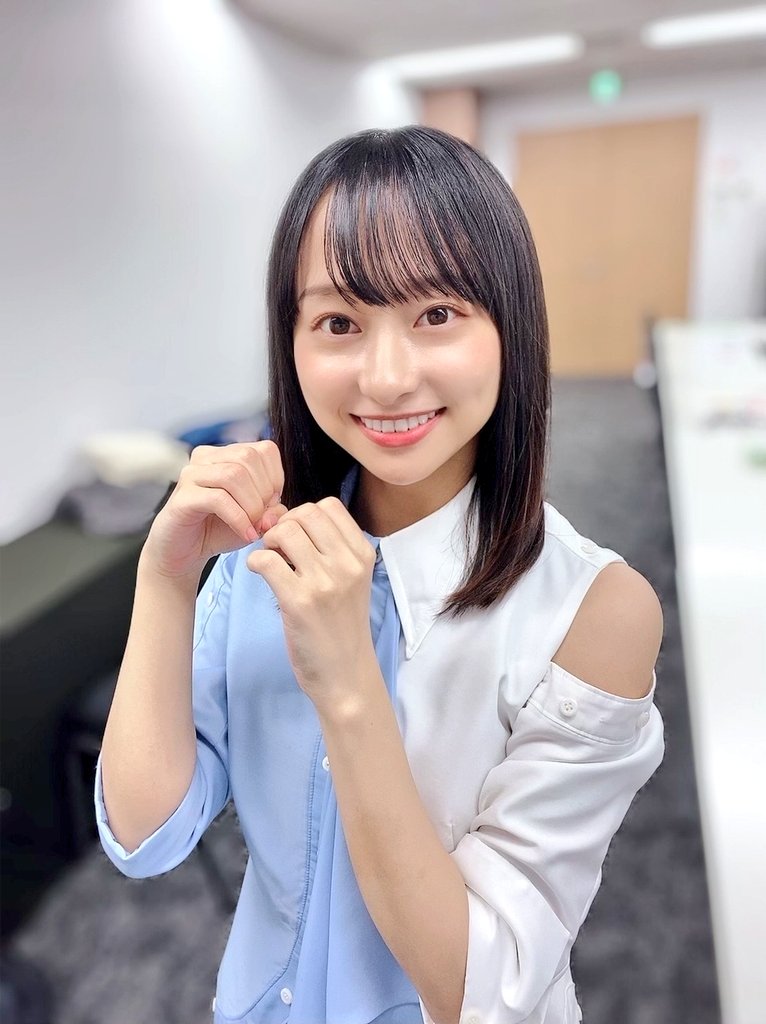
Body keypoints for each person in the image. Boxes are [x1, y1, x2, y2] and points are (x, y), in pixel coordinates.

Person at [94, 125, 665, 1024]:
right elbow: (145, 836)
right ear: (290, 341)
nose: (388, 377)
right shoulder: (259, 557)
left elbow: (483, 991)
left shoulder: (594, 610)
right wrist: (165, 580)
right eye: (339, 323)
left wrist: (349, 684)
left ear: (510, 324)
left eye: (436, 314)